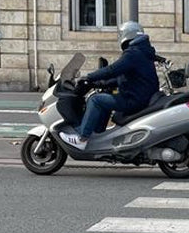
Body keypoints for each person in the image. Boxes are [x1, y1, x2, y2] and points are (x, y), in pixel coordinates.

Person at [59, 21, 159, 150]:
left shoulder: (133, 53)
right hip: (141, 96)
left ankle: (82, 138)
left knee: (95, 100)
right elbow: (123, 77)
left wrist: (89, 77)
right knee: (105, 98)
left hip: (134, 100)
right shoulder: (143, 52)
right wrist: (100, 83)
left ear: (127, 35)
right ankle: (97, 134)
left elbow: (112, 70)